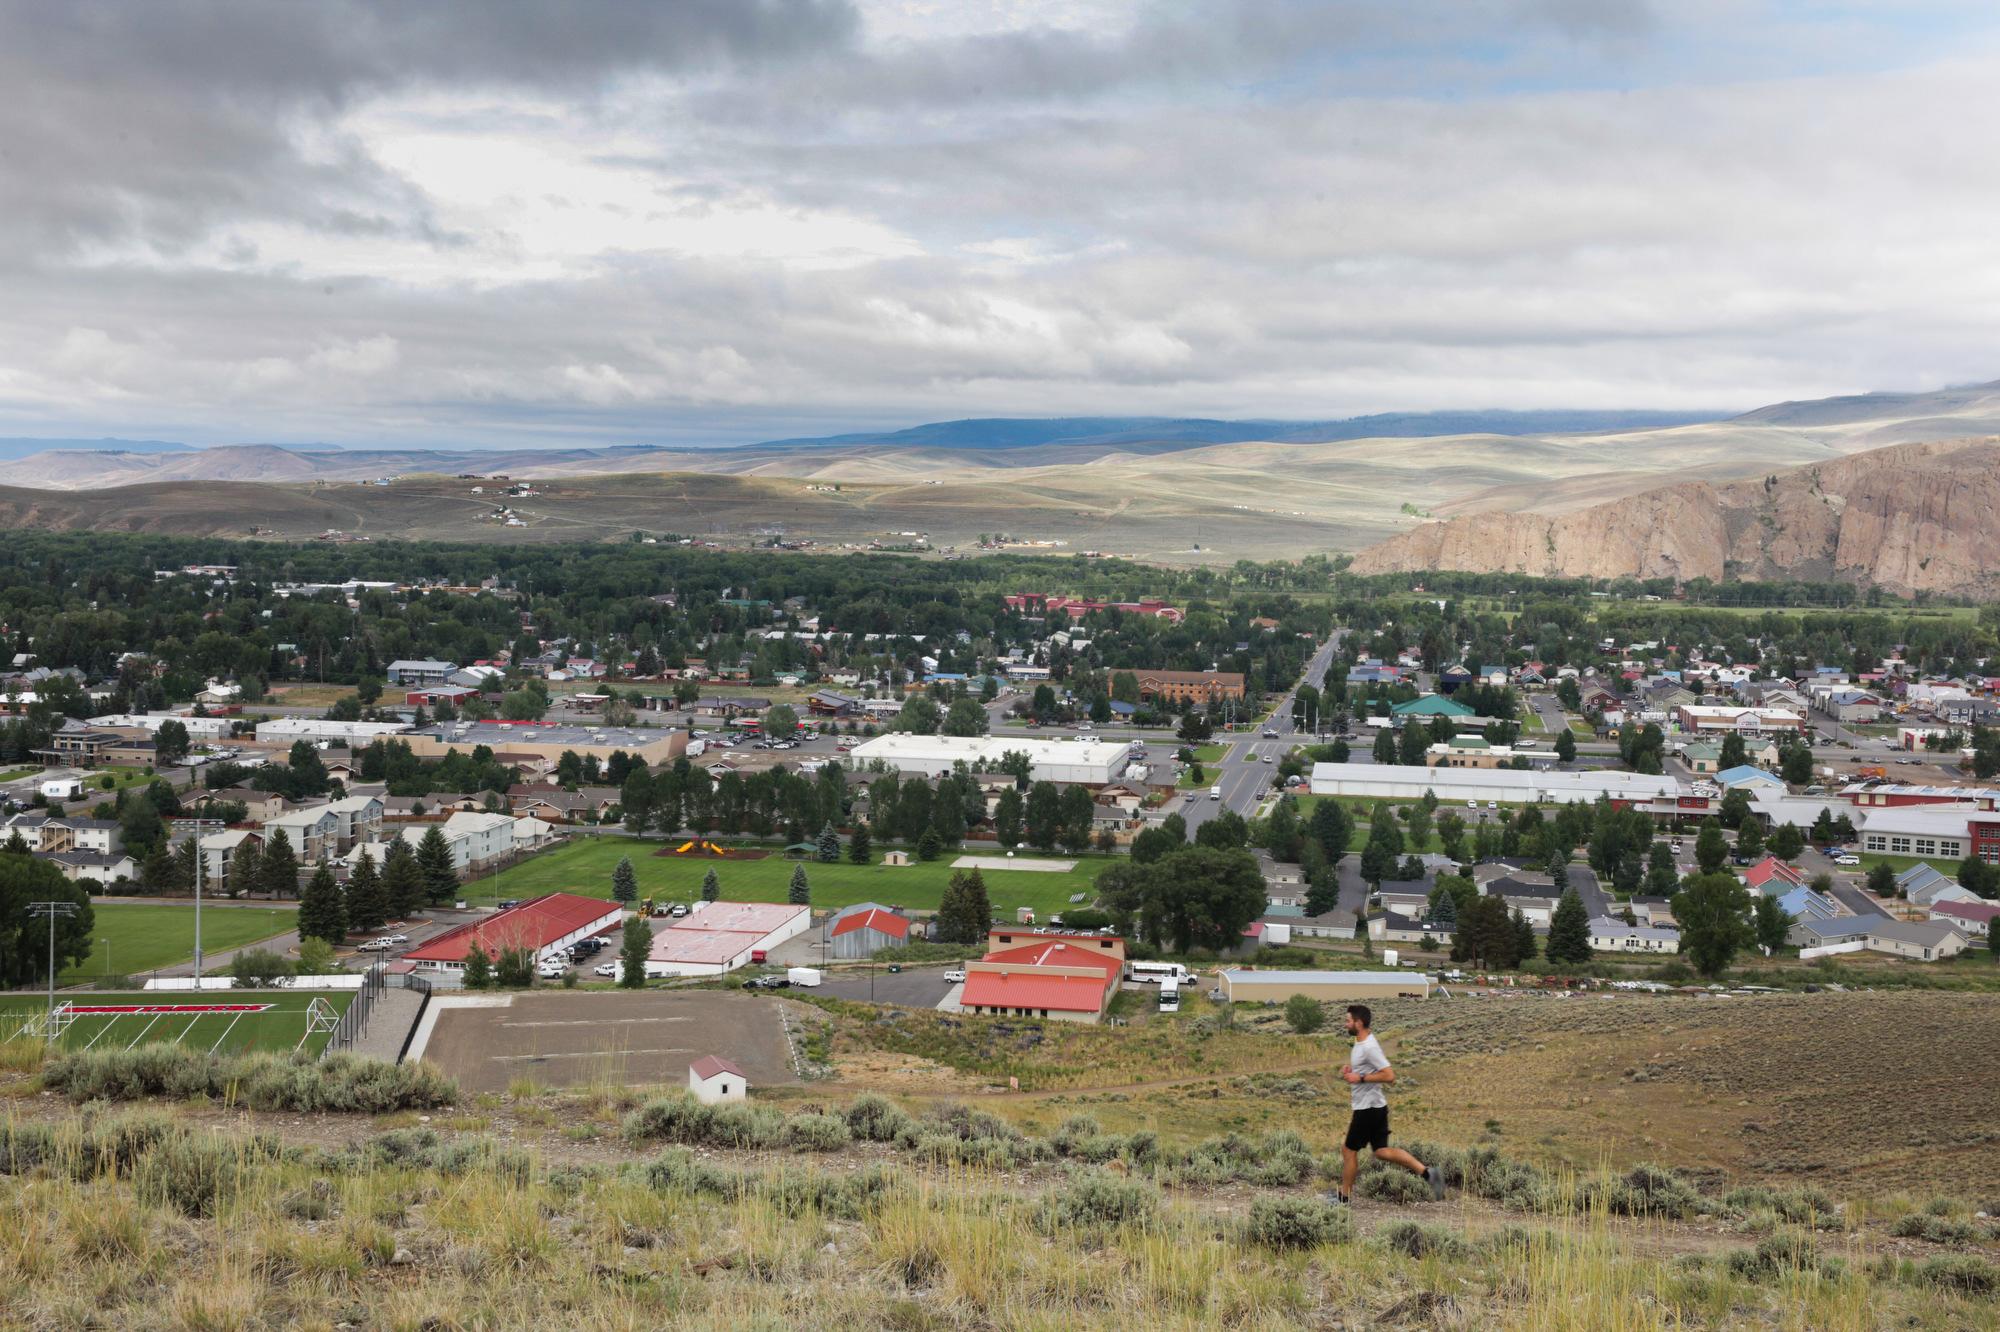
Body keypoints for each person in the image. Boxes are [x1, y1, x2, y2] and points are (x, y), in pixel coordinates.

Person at [1334, 1003, 1445, 1204]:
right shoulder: (1362, 1043)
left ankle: (1343, 1199)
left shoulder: (1368, 1046)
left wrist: (1359, 1078)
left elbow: (1389, 1076)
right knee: (1382, 1151)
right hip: (1375, 1107)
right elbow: (1372, 1071)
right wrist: (1352, 1071)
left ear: (1358, 1023)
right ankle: (1429, 1174)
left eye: (1348, 1020)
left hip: (1367, 1109)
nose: (1345, 1024)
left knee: (1348, 1150)